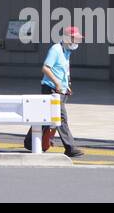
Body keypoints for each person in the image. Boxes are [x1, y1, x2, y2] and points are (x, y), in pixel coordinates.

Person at [23, 25, 85, 158]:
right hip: (51, 89)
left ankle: (29, 142)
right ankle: (70, 148)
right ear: (68, 38)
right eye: (75, 39)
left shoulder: (67, 51)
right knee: (61, 118)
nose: (77, 42)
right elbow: (46, 68)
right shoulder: (56, 49)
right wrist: (57, 83)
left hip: (60, 91)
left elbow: (62, 70)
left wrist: (66, 84)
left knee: (45, 118)